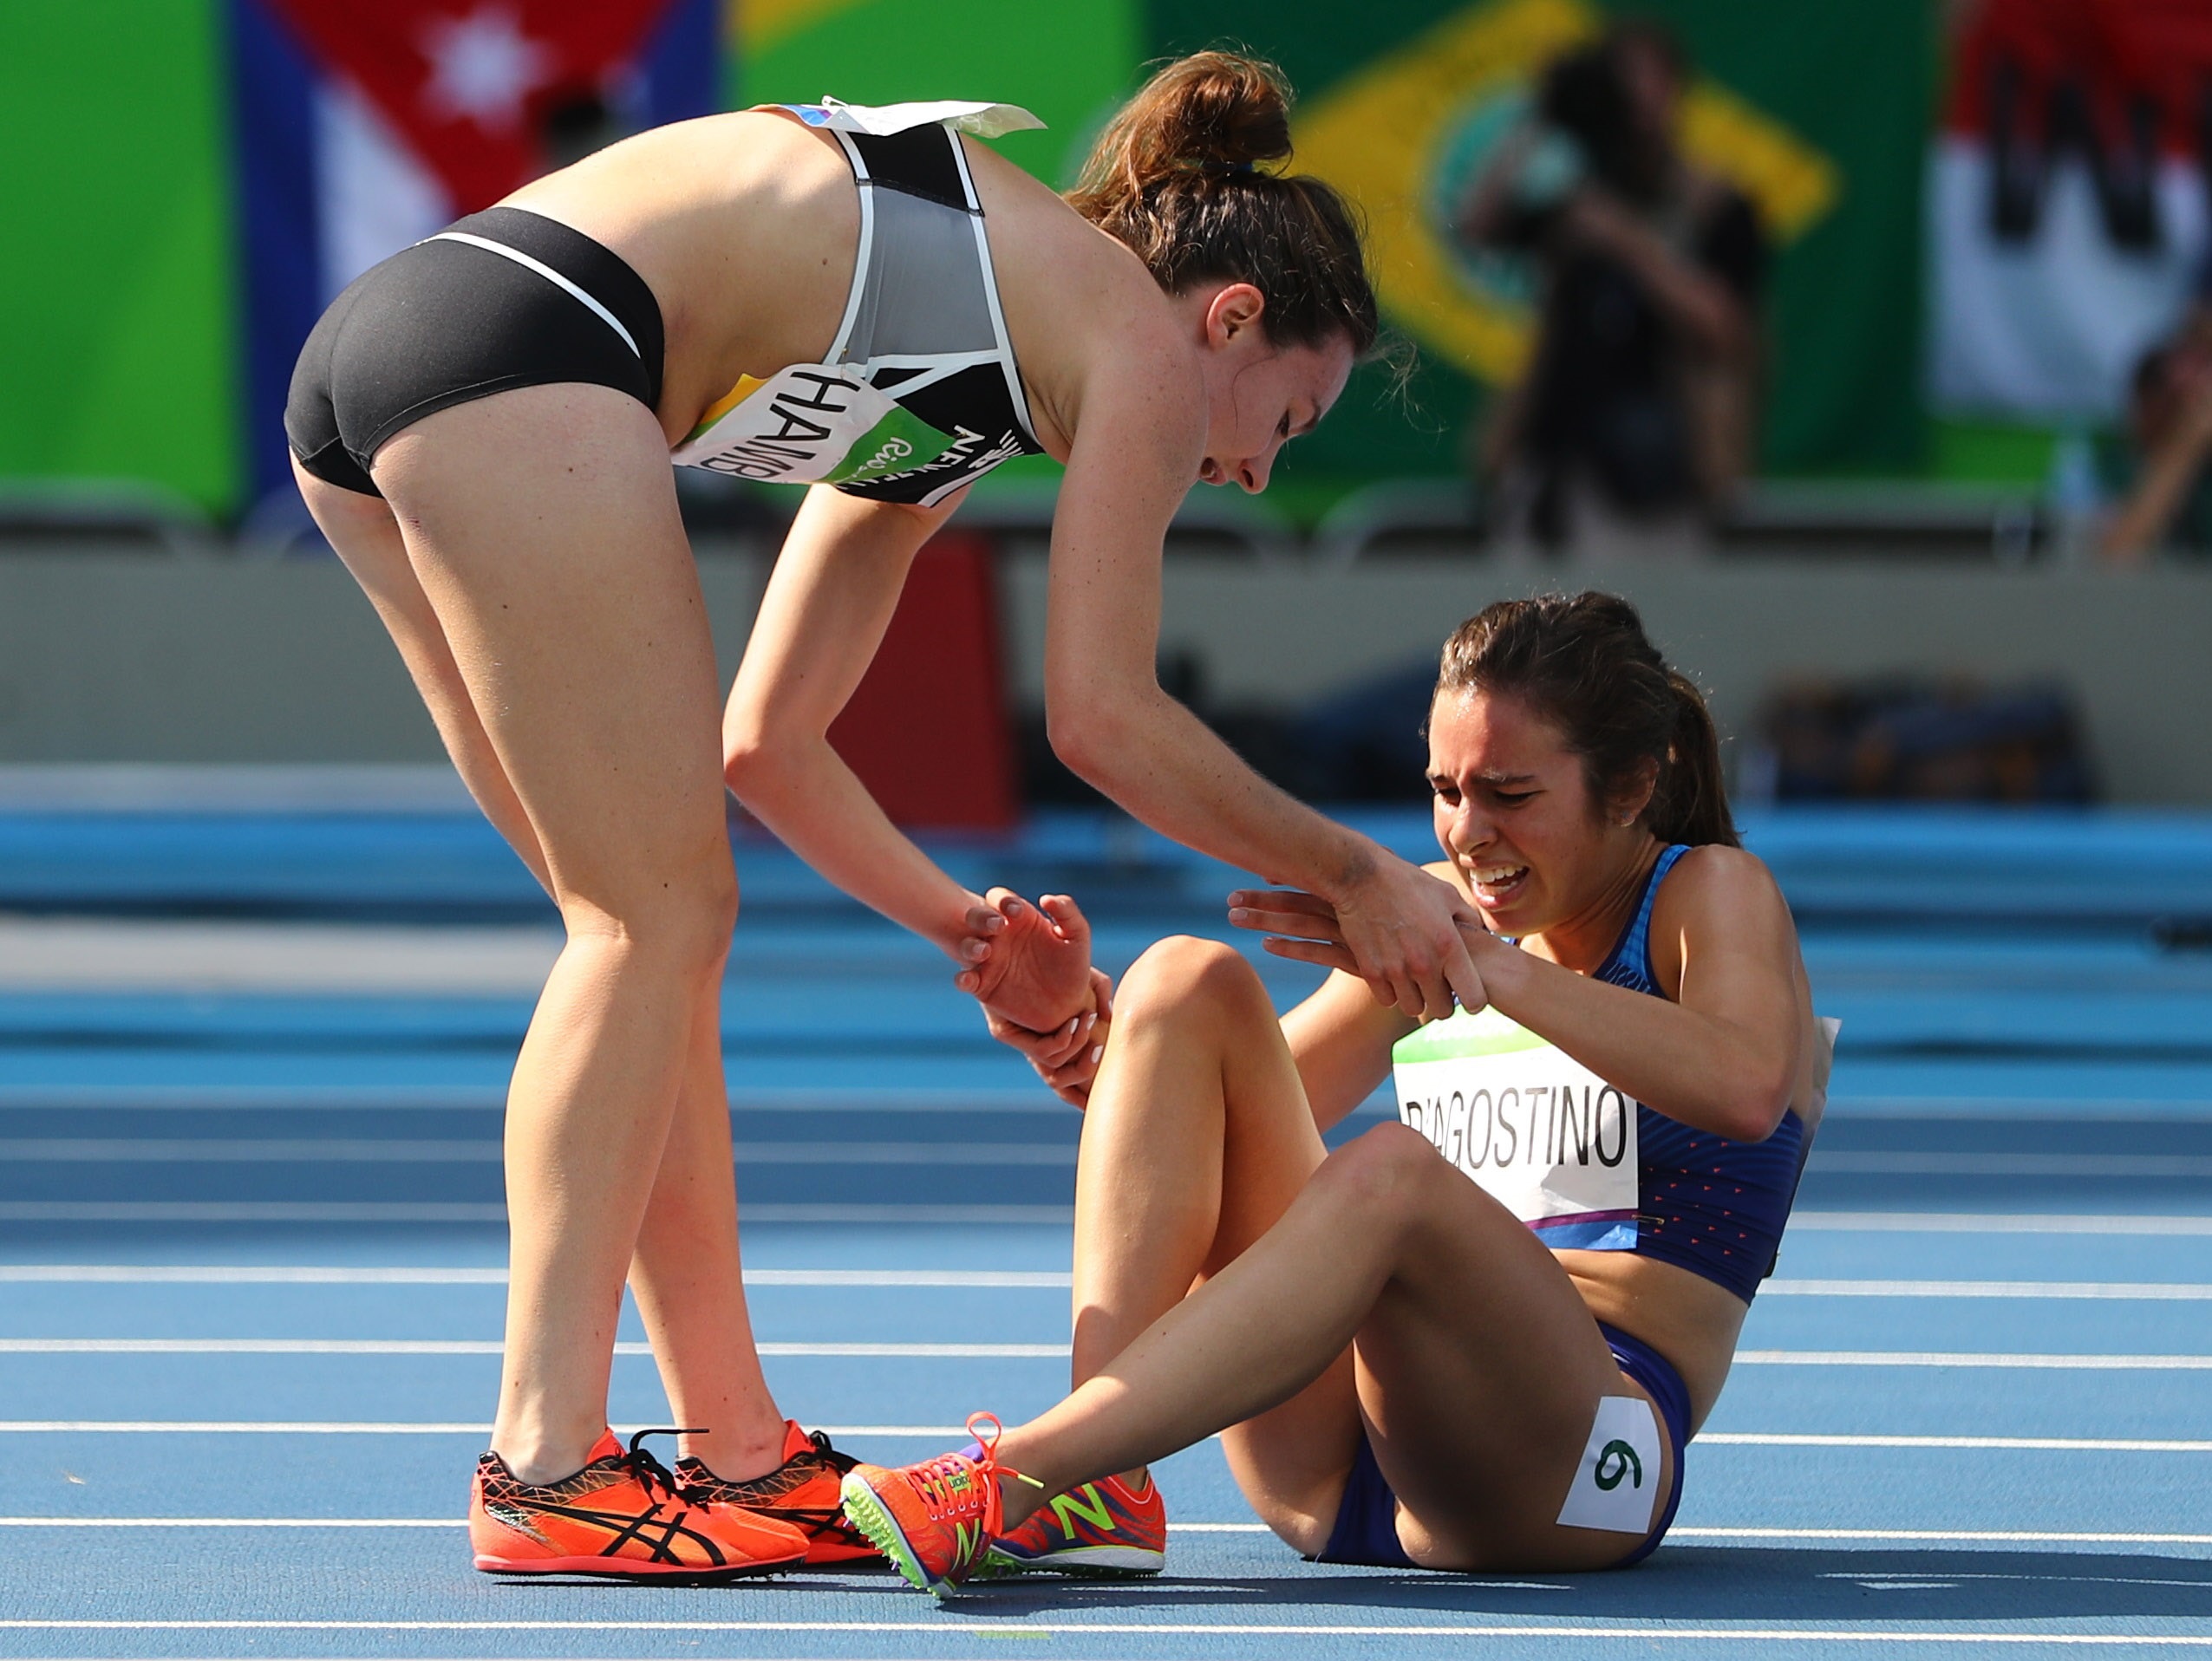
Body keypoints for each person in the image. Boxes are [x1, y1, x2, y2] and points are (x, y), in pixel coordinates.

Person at [284, 51, 1487, 1580]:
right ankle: (542, 1463)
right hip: (523, 344)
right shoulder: (1124, 328)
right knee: (650, 925)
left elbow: (769, 740)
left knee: (648, 952)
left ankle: (740, 1447)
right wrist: (1358, 871)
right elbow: (1102, 718)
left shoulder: (965, 375)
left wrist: (974, 935)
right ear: (1229, 320)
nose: (1250, 471)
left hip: (403, 352)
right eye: (1286, 421)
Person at [838, 592, 1834, 1593]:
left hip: (1582, 1466)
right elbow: (1213, 1126)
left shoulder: (1707, 892)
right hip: (1341, 1456)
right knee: (1185, 979)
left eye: (1509, 793)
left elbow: (1746, 1085)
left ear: (1629, 786)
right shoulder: (1441, 910)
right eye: (1445, 789)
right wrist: (1084, 1032)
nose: (1468, 831)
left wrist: (1497, 969)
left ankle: (1025, 1468)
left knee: (1396, 1172)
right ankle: (1098, 1484)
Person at [1458, 23, 1765, 551]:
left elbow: (1724, 328)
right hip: (1552, 464)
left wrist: (1626, 242)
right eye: (1621, 88)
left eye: (1650, 86)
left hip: (1659, 473)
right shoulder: (1575, 199)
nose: (1637, 106)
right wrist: (1542, 118)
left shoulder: (1712, 205)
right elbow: (1475, 227)